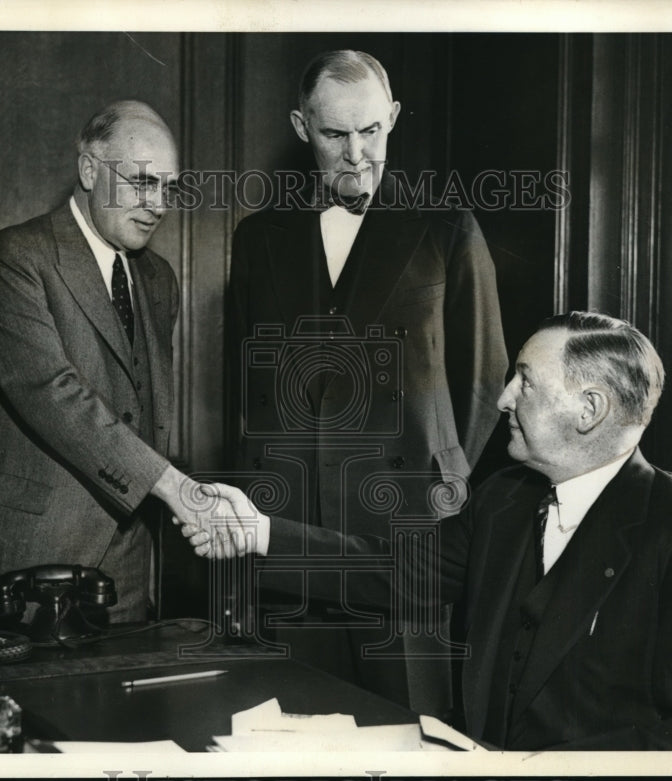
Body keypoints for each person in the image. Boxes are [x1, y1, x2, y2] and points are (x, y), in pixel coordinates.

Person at [191, 312, 672, 749]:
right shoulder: (505, 498)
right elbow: (397, 573)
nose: (502, 397)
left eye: (525, 380)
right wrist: (258, 531)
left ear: (589, 409)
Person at [225, 49, 507, 714]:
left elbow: (484, 379)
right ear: (301, 127)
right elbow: (247, 388)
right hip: (291, 532)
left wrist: (437, 489)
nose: (356, 155)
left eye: (372, 131)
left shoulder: (447, 229)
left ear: (395, 119)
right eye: (334, 134)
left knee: (411, 732)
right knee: (293, 731)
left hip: (403, 540)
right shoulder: (257, 238)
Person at [0, 100, 247, 629]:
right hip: (21, 571)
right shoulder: (15, 257)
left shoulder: (159, 280)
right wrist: (180, 490)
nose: (158, 204)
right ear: (89, 170)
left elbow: (145, 414)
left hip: (126, 579)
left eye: (169, 187)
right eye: (141, 182)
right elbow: (51, 391)